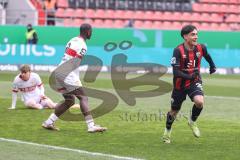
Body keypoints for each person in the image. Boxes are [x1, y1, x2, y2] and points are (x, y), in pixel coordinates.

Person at [42, 23, 107, 133]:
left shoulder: (72, 40)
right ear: (88, 32)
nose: (92, 33)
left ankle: (48, 122)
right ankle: (91, 126)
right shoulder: (83, 45)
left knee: (70, 100)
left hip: (58, 73)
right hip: (67, 74)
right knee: (83, 97)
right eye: (91, 31)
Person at [162, 24, 216, 143]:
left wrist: (212, 66)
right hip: (179, 85)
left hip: (194, 81)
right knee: (174, 111)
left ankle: (192, 121)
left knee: (199, 102)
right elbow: (176, 71)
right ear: (185, 36)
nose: (196, 37)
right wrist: (188, 76)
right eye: (193, 34)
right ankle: (167, 130)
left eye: (196, 34)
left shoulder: (201, 47)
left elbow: (207, 56)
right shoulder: (178, 50)